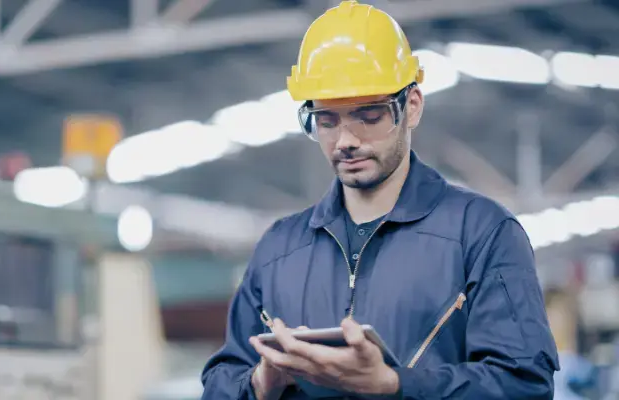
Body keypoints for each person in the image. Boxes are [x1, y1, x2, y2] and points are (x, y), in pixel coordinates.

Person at [200, 1, 559, 399]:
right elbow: (219, 383)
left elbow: (524, 385)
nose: (347, 140)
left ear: (413, 107)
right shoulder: (277, 252)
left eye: (369, 115)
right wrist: (259, 383)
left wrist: (395, 386)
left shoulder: (481, 235)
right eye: (327, 120)